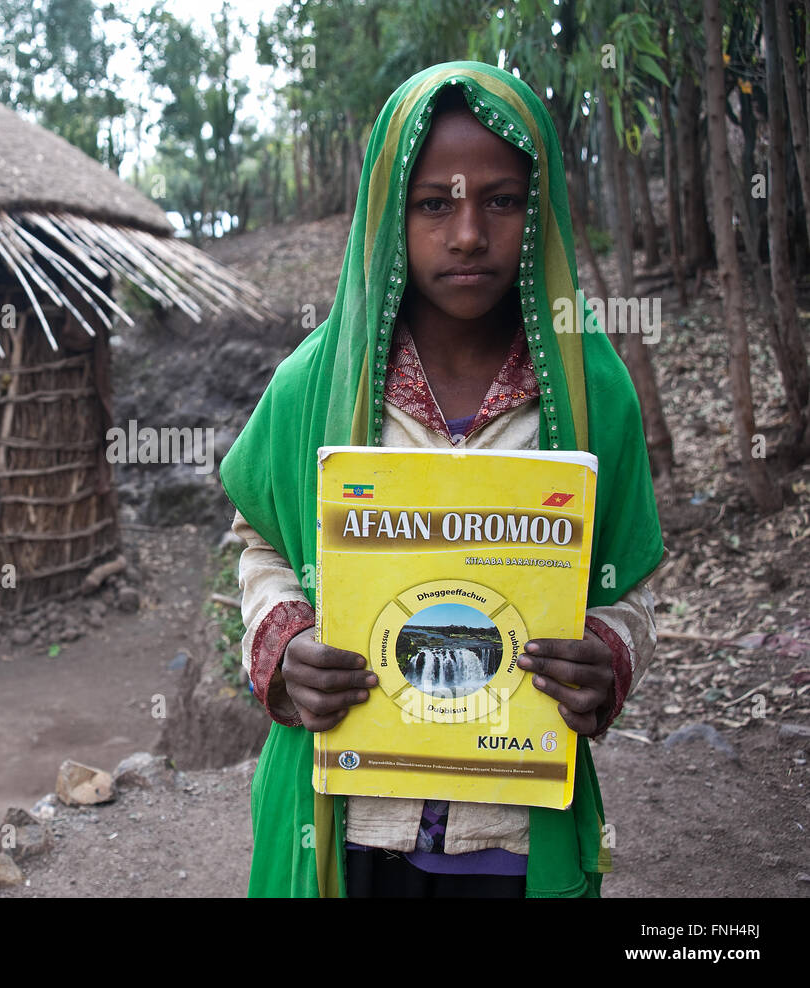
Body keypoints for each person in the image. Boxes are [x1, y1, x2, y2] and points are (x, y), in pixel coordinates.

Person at [219, 61, 664, 898]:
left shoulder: (592, 393)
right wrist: (285, 645)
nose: (468, 234)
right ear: (391, 215)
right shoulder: (312, 387)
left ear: (542, 212)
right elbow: (260, 544)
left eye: (502, 200)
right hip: (345, 825)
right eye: (434, 204)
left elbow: (627, 583)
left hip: (514, 837)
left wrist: (606, 652)